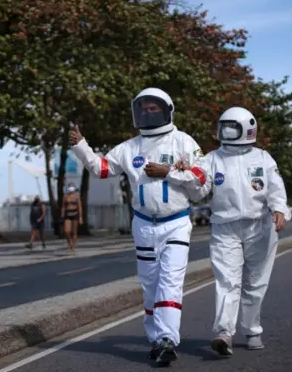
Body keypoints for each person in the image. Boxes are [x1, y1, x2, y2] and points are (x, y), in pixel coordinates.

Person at [70, 87, 206, 366]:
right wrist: (82, 146)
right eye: (142, 108)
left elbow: (202, 180)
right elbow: (102, 169)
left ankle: (167, 338)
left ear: (167, 110)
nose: (147, 112)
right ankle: (156, 338)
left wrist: (169, 171)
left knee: (170, 280)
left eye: (153, 107)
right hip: (143, 224)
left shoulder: (183, 141)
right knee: (150, 285)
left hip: (176, 222)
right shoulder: (129, 147)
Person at [174, 106, 291, 357]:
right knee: (227, 280)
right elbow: (199, 182)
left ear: (248, 128)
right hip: (225, 227)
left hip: (260, 226)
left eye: (231, 127)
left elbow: (275, 188)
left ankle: (252, 330)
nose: (225, 131)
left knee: (255, 282)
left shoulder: (263, 158)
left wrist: (279, 209)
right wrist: (185, 171)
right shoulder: (212, 158)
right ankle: (224, 333)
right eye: (223, 126)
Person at [61, 183, 82, 251]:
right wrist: (62, 213)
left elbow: (80, 207)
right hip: (67, 214)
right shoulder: (65, 196)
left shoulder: (77, 196)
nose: (71, 188)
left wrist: (80, 217)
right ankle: (69, 242)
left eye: (72, 187)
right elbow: (63, 206)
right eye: (70, 187)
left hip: (75, 213)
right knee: (66, 231)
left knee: (74, 231)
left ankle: (73, 245)